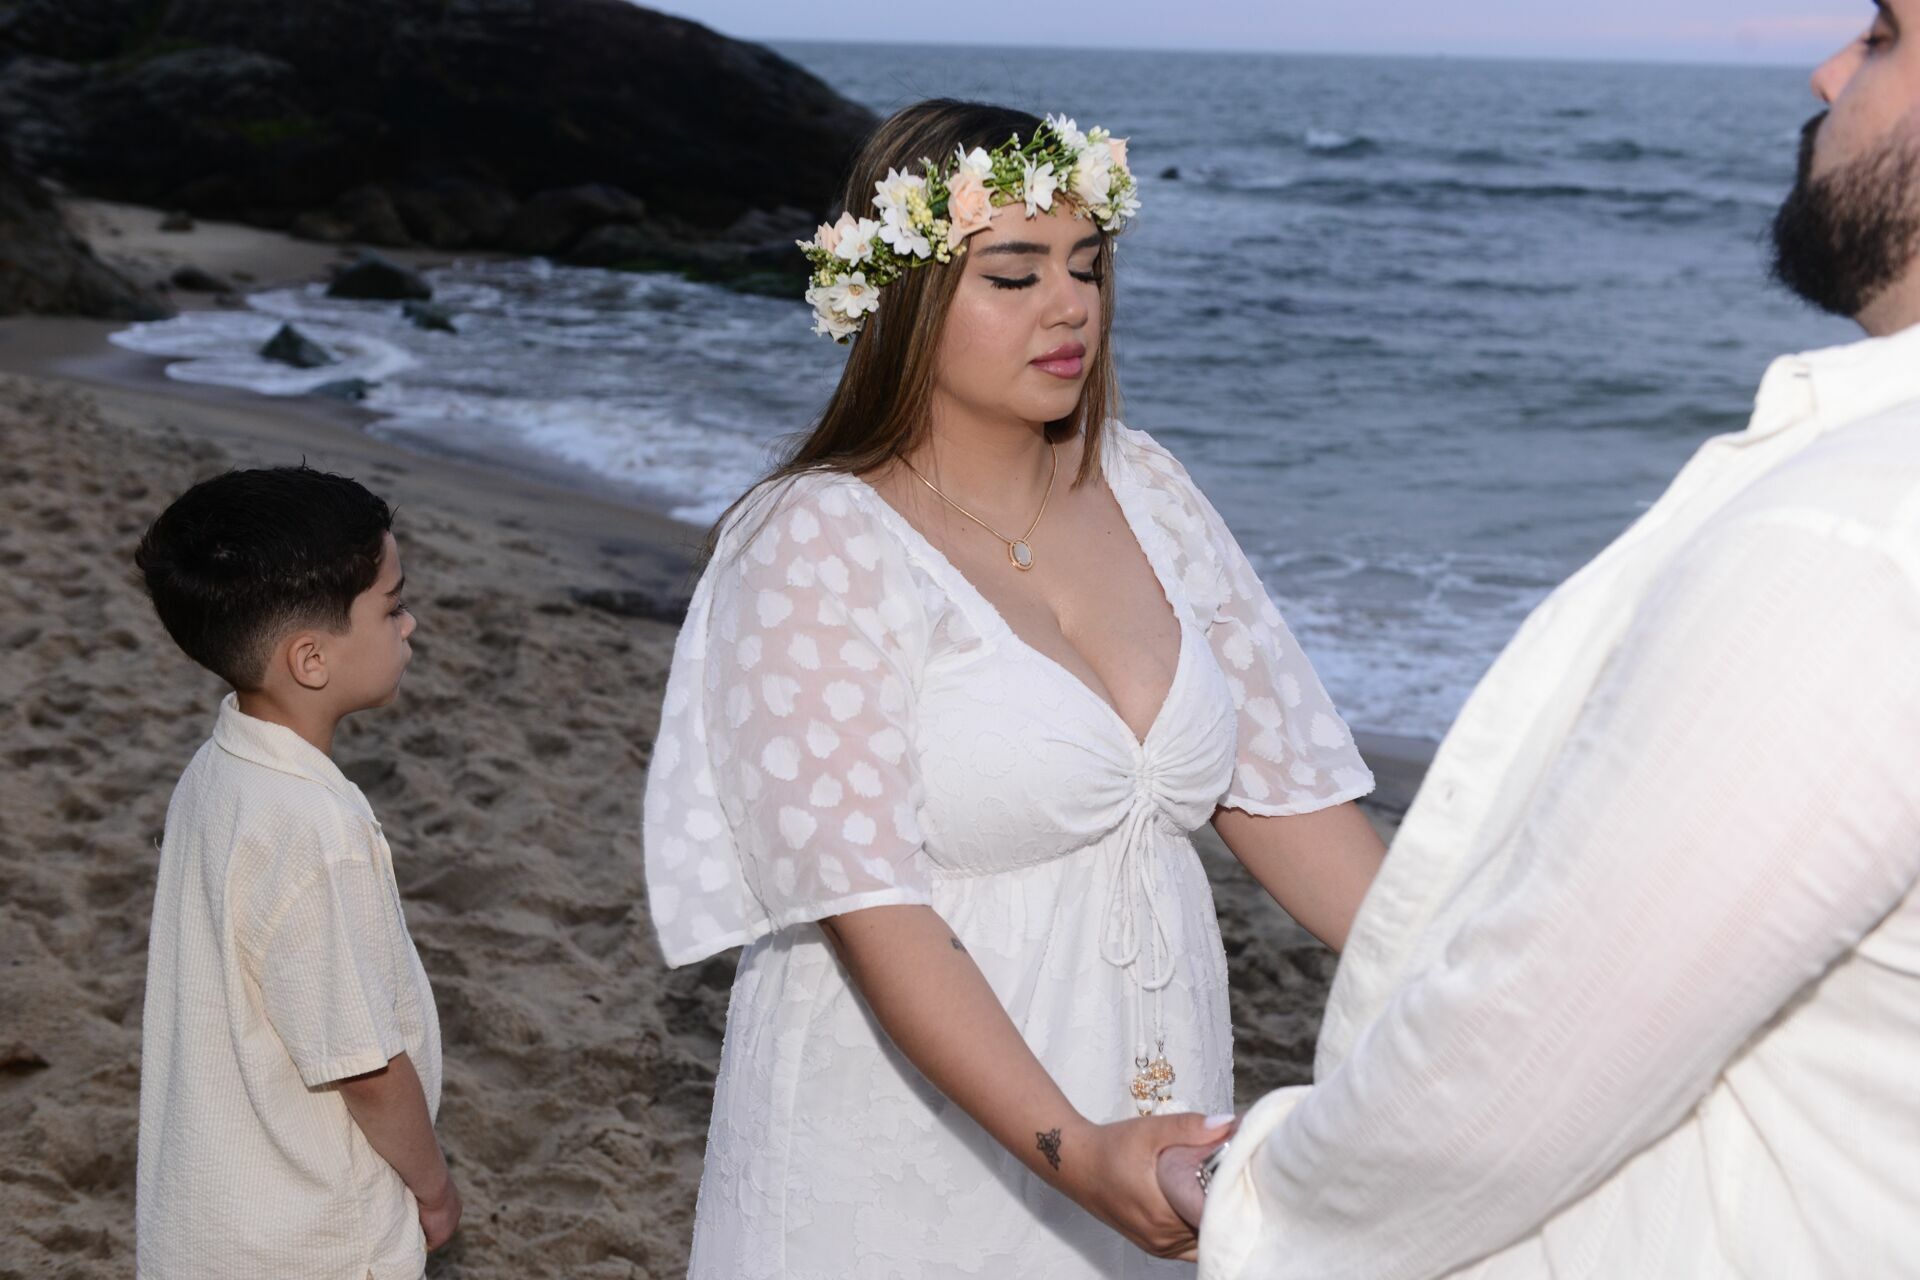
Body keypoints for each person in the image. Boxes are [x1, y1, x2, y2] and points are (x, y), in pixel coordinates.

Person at [1172, 7, 1920, 1277]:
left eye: (1887, 33)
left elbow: (1526, 1058)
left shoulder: (1855, 535)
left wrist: (1239, 1187)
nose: (1829, 67)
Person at [641, 100, 1385, 1276]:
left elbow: (1288, 797)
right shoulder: (815, 540)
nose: (1070, 304)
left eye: (1088, 266)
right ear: (903, 291)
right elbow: (869, 903)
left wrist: (1483, 983)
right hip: (912, 1117)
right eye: (1015, 272)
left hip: (1153, 1097)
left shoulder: (1147, 487)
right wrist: (1072, 1145)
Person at [133, 466, 457, 1278]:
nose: (410, 624)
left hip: (215, 1216)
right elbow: (367, 1067)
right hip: (317, 1233)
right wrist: (431, 1185)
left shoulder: (221, 767)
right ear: (310, 658)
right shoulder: (314, 830)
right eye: (391, 605)